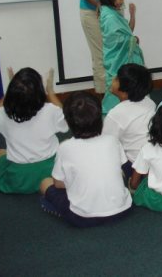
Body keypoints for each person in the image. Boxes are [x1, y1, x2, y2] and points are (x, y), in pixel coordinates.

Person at [39, 92, 132, 227]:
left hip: (83, 218)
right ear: (100, 118)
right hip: (123, 210)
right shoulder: (112, 141)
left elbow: (58, 184)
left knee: (45, 183)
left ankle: (59, 209)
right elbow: (125, 168)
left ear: (69, 122)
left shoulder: (65, 147)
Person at [0, 68, 68, 194]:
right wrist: (50, 91)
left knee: (0, 152)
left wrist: (9, 92)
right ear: (40, 92)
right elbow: (66, 120)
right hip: (50, 171)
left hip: (18, 178)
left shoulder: (3, 115)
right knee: (66, 146)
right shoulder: (50, 111)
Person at [99, 0, 145, 115]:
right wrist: (133, 40)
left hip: (122, 57)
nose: (122, 1)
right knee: (118, 84)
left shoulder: (113, 13)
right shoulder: (109, 17)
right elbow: (116, 40)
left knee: (129, 83)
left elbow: (128, 31)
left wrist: (132, 15)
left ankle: (128, 112)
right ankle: (112, 113)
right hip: (116, 59)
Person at [102, 63, 156, 177]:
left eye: (117, 78)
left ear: (125, 90)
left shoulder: (115, 114)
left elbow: (105, 144)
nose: (113, 79)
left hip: (136, 168)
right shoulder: (150, 102)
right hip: (156, 162)